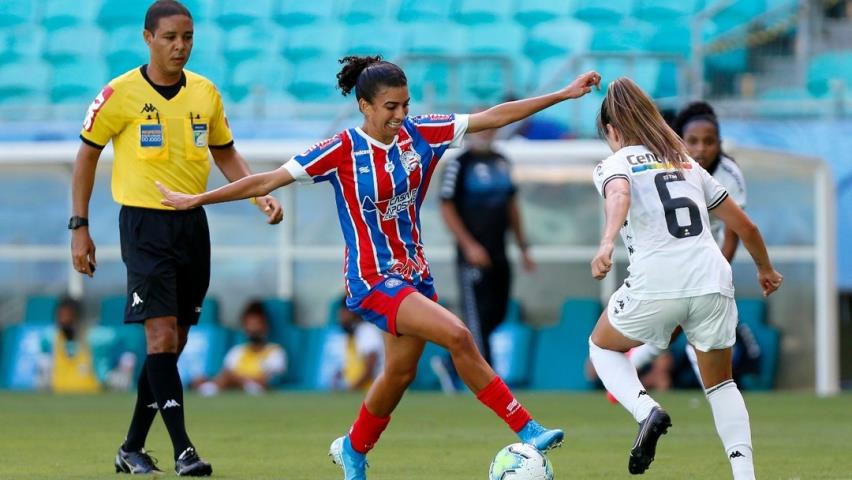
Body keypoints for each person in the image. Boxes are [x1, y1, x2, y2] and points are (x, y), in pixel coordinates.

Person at [158, 54, 601, 479]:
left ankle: (353, 447)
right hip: (371, 281)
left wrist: (563, 94)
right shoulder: (341, 149)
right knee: (458, 335)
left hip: (415, 276)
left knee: (399, 373)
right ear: (364, 105)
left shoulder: (422, 133)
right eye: (390, 106)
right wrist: (200, 199)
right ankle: (527, 427)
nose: (400, 114)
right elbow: (267, 178)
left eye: (405, 104)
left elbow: (495, 116)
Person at [69, 1, 283, 476]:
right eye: (170, 37)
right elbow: (85, 157)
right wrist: (79, 226)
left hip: (193, 226)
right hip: (144, 227)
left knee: (174, 343)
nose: (180, 46)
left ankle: (131, 447)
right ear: (148, 38)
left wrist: (259, 195)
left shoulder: (205, 93)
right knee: (161, 337)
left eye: (187, 37)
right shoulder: (118, 93)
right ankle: (185, 450)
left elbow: (226, 152)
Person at [587, 77, 783, 478]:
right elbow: (745, 227)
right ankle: (745, 476)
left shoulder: (614, 163)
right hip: (713, 278)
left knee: (602, 348)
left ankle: (647, 410)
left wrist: (607, 242)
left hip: (657, 279)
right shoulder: (686, 162)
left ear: (611, 129)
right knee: (722, 385)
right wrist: (766, 269)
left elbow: (620, 195)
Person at [624, 101, 750, 390]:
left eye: (709, 142)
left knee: (686, 328)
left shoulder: (729, 174)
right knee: (670, 327)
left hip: (709, 257)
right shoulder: (664, 165)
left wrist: (717, 272)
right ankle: (626, 367)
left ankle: (628, 370)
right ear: (679, 140)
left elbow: (734, 232)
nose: (701, 149)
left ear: (720, 143)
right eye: (693, 141)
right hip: (670, 257)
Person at [439, 120, 535, 367]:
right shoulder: (458, 165)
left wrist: (523, 247)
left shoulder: (502, 161)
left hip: (499, 251)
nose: (486, 131)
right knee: (477, 319)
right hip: (472, 255)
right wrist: (469, 245)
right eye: (481, 126)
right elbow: (447, 206)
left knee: (498, 312)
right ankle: (488, 382)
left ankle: (451, 365)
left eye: (490, 125)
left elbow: (512, 206)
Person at [195, 300, 286, 396]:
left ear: (265, 326)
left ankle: (207, 389)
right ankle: (206, 387)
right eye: (250, 324)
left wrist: (237, 379)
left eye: (257, 324)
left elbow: (268, 380)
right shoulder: (237, 351)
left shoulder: (275, 351)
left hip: (257, 390)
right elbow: (225, 374)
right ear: (245, 327)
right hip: (232, 390)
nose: (254, 329)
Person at [38, 297, 101, 394]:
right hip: (58, 396)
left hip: (90, 395)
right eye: (61, 316)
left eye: (68, 316)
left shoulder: (93, 338)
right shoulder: (51, 337)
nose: (65, 320)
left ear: (77, 317)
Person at [332, 296, 384, 392]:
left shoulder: (366, 331)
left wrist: (350, 390)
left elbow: (369, 369)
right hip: (362, 392)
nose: (340, 316)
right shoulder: (351, 334)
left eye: (343, 312)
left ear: (352, 312)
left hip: (377, 391)